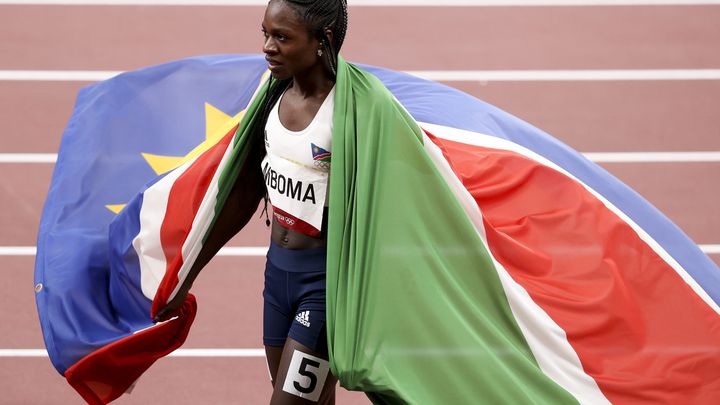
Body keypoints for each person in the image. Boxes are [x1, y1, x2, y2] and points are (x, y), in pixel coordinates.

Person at [157, 1, 347, 404]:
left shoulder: (351, 114)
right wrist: (186, 275)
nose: (268, 47)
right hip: (278, 280)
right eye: (265, 33)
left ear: (322, 40)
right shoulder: (269, 100)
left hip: (326, 286)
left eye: (282, 37)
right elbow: (243, 196)